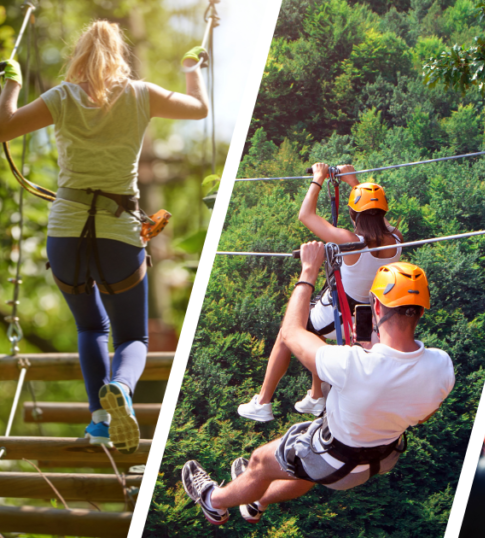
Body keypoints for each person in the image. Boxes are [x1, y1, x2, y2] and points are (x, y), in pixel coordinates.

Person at [0, 21, 209, 454]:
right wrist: (192, 68)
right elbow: (198, 108)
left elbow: (4, 128)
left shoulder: (61, 97)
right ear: (121, 56)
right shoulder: (141, 94)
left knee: (90, 324)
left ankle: (99, 421)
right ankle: (121, 387)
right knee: (132, 336)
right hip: (119, 231)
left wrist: (12, 83)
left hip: (65, 234)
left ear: (78, 55)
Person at [184, 242, 454, 525]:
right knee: (304, 468)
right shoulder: (442, 367)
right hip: (380, 458)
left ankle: (213, 502)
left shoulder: (352, 364)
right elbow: (423, 415)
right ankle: (257, 502)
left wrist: (309, 271)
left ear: (376, 305)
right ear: (421, 311)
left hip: (334, 459)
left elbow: (290, 332)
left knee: (259, 462)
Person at [237, 163, 403, 421]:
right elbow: (378, 218)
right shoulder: (397, 239)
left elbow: (306, 215)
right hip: (367, 316)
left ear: (352, 213)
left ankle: (263, 401)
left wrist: (318, 179)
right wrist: (353, 182)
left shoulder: (350, 241)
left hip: (341, 311)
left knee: (287, 332)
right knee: (316, 333)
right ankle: (316, 396)